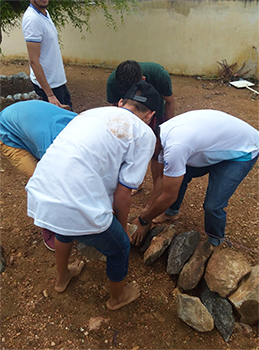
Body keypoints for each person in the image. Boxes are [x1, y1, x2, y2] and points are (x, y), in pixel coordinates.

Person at [25, 81, 160, 310]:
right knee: (119, 247)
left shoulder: (91, 113)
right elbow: (122, 194)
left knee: (64, 228)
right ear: (150, 115)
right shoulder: (144, 134)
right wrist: (123, 229)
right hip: (76, 202)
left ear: (120, 102)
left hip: (42, 193)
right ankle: (117, 298)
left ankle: (62, 278)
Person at [131, 109, 259, 248]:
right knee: (178, 176)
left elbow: (169, 195)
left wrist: (144, 219)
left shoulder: (175, 147)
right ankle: (171, 213)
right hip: (217, 145)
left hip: (243, 150)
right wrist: (149, 210)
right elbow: (163, 180)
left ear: (152, 143)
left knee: (213, 205)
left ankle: (215, 242)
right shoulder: (161, 136)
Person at [0, 100, 77, 251]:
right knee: (43, 184)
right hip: (6, 129)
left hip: (29, 118)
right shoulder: (53, 149)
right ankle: (47, 228)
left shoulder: (87, 127)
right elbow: (52, 179)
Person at [107, 60, 175, 194]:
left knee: (157, 151)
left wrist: (168, 129)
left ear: (143, 80)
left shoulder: (159, 75)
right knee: (132, 148)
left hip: (155, 111)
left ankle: (157, 190)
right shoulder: (112, 82)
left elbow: (169, 101)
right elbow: (115, 110)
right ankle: (135, 182)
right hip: (129, 113)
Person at [22, 0, 73, 110]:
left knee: (70, 120)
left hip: (57, 82)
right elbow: (34, 61)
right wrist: (50, 95)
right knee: (61, 124)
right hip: (48, 87)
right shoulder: (32, 19)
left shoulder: (44, 13)